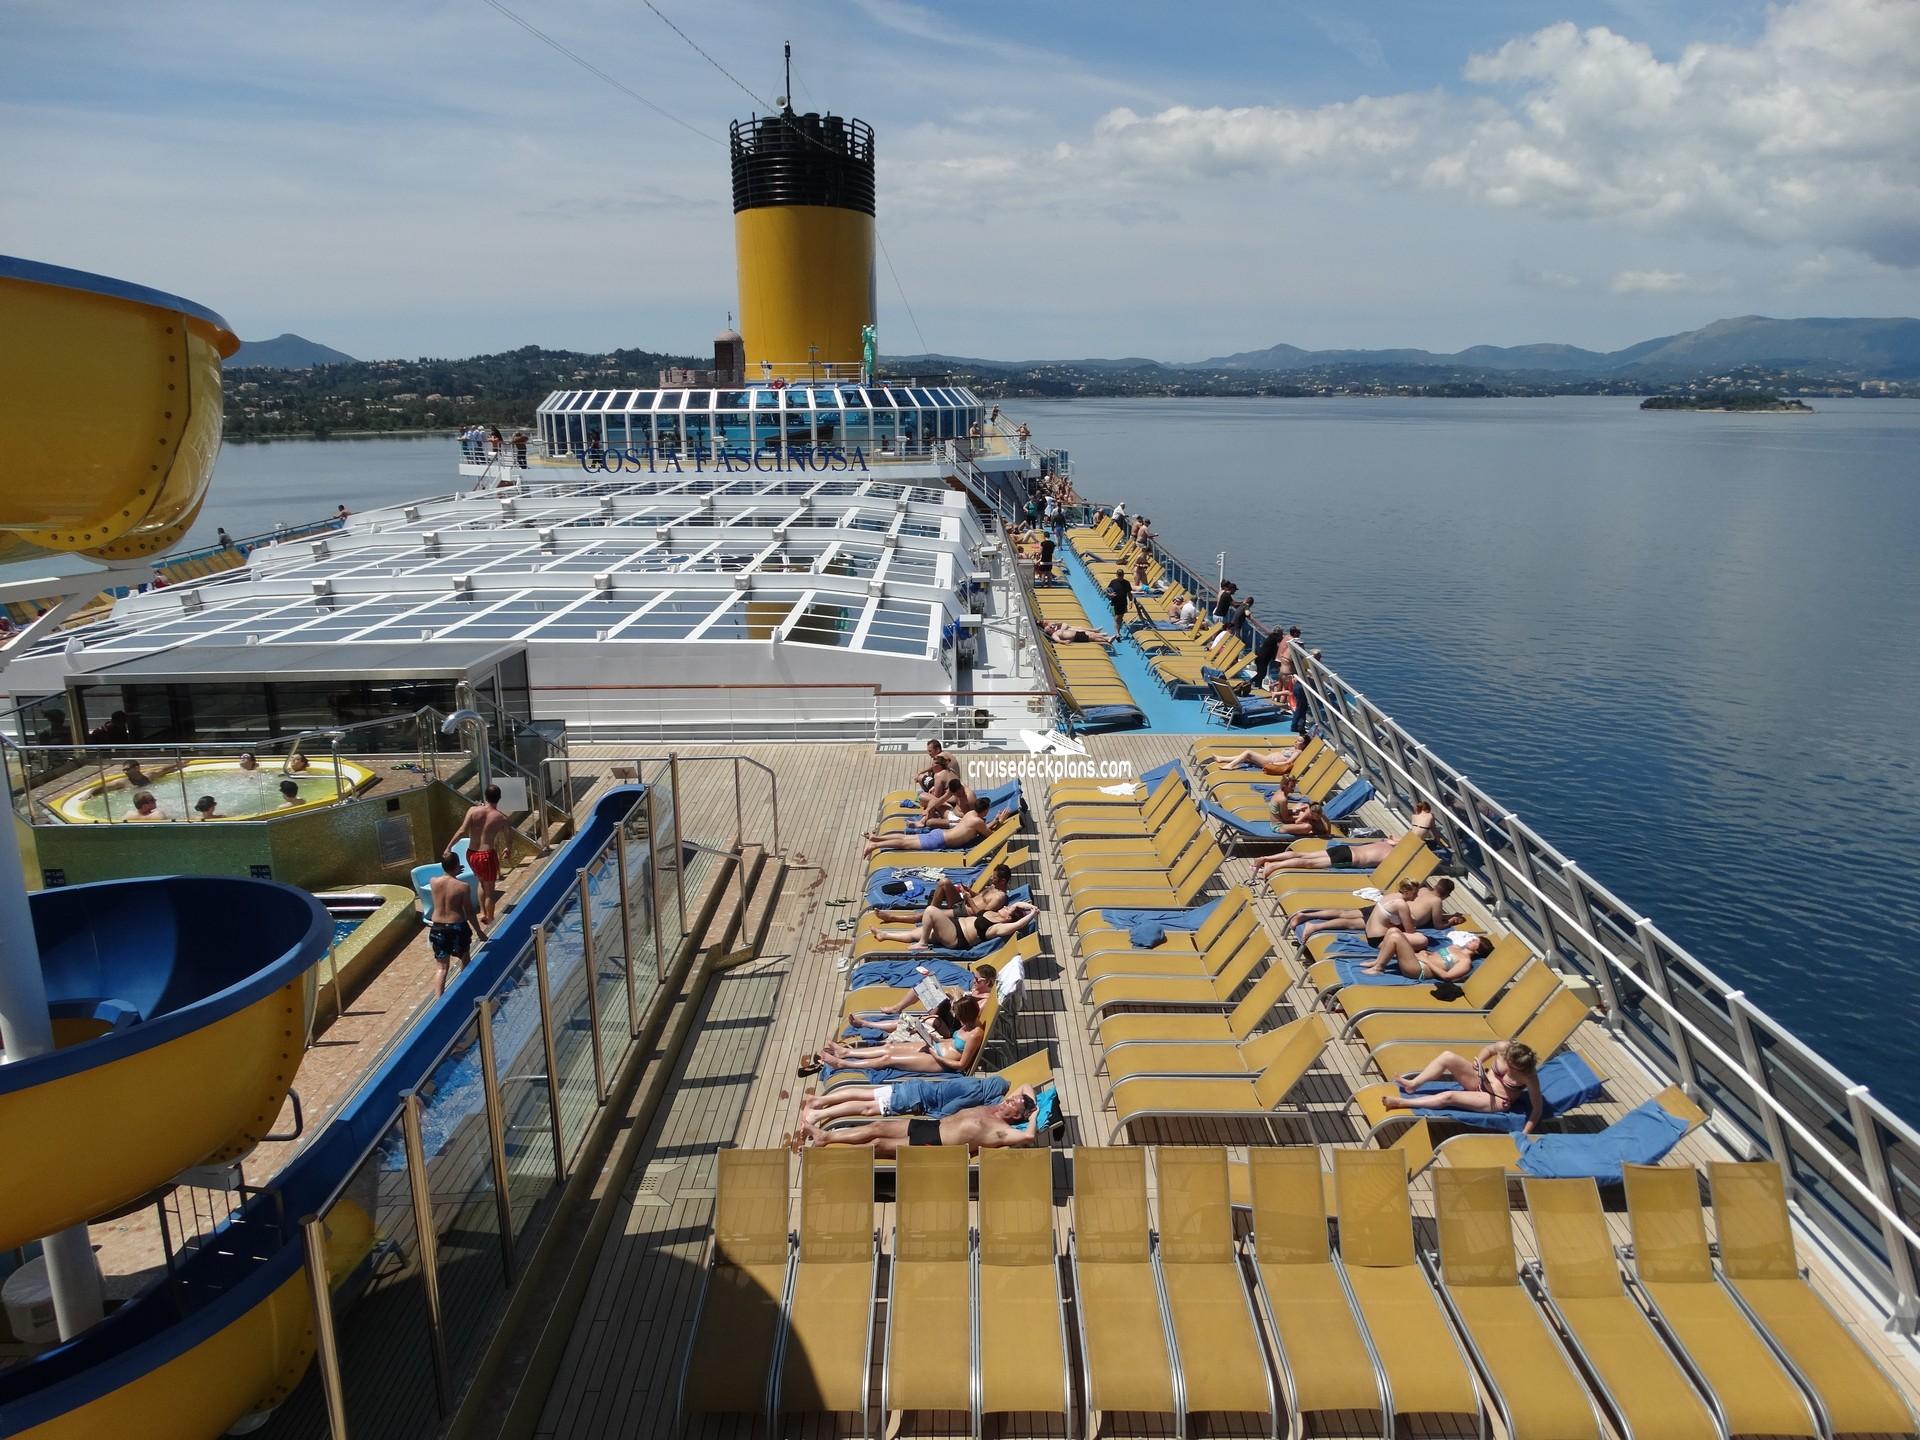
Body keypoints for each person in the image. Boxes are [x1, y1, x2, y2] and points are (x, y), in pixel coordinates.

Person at [802, 1088, 1040, 1154]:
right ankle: (826, 1137)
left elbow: (1029, 1136)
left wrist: (1034, 1114)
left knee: (877, 1144)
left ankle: (834, 1154)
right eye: (1011, 1098)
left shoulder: (1001, 1129)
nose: (1009, 1100)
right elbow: (1026, 1087)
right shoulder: (995, 1108)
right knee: (877, 1126)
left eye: (1013, 1103)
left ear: (1017, 1115)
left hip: (936, 1143)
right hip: (933, 1126)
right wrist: (1029, 1102)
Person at [1384, 1041, 1545, 1134]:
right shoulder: (1505, 1047)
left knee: (1449, 1096)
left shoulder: (1529, 1077)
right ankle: (1413, 1085)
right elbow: (1489, 1049)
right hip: (1480, 1081)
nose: (1508, 1069)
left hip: (1496, 1099)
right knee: (1447, 1056)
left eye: (1513, 1069)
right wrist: (1479, 1060)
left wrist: (1525, 1132)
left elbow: (1537, 1108)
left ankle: (1402, 1102)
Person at [818, 993, 987, 1075]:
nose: (956, 1016)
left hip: (940, 1061)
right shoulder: (969, 1023)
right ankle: (845, 1052)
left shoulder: (975, 1035)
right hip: (935, 1046)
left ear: (966, 1014)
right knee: (890, 1048)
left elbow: (961, 1065)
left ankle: (843, 1064)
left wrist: (937, 1055)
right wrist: (933, 1039)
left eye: (958, 1014)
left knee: (888, 1059)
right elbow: (953, 1041)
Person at [804, 1076, 1033, 1129]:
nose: (1008, 1099)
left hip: (916, 1087)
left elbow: (1022, 1086)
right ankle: (817, 1115)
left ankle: (820, 1100)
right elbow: (948, 1111)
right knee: (866, 1108)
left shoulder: (978, 1082)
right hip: (915, 1100)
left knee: (867, 1094)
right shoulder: (975, 1095)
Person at [447, 783, 514, 925]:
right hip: (486, 856)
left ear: (485, 797)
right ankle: (490, 919)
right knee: (490, 890)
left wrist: (449, 847)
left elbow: (462, 831)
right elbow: (509, 836)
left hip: (471, 854)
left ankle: (483, 912)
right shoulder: (501, 818)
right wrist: (508, 848)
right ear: (499, 798)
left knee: (481, 882)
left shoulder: (472, 810)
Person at [868, 898, 1037, 951]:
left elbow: (1017, 925)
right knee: (916, 932)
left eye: (1008, 909)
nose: (1007, 906)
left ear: (1009, 918)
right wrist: (1031, 907)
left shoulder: (1000, 927)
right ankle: (885, 935)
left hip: (957, 938)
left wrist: (1031, 915)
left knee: (930, 911)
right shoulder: (997, 914)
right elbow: (1017, 905)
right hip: (952, 927)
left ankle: (923, 944)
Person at [427, 851, 489, 995]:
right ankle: (466, 991)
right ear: (457, 866)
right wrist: (479, 932)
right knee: (465, 959)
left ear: (443, 866)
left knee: (442, 968)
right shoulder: (463, 886)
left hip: (437, 928)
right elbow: (469, 912)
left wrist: (452, 872)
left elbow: (446, 881)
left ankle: (440, 1000)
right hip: (456, 928)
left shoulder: (433, 882)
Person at [872, 866, 1013, 925]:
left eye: (994, 878)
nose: (991, 878)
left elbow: (982, 917)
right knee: (944, 882)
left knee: (927, 913)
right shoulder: (993, 887)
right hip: (963, 902)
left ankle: (892, 918)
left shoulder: (999, 898)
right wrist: (970, 892)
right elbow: (980, 898)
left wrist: (969, 899)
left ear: (1003, 881)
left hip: (965, 913)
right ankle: (931, 910)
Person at [862, 796, 991, 859]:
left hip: (939, 834)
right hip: (940, 841)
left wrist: (994, 821)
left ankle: (876, 838)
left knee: (905, 838)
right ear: (985, 810)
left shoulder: (970, 814)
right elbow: (988, 834)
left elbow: (982, 828)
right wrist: (997, 821)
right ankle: (875, 845)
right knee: (905, 843)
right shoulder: (977, 821)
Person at [1358, 928, 1494, 981]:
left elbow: (1446, 976)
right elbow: (1438, 957)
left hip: (1419, 970)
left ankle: (1379, 968)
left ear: (1478, 950)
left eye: (1476, 941)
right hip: (1419, 960)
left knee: (1396, 937)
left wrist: (1426, 960)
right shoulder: (1455, 947)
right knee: (1393, 931)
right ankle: (1378, 962)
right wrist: (1426, 953)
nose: (1472, 939)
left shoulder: (1465, 962)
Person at [1199, 741, 1305, 776]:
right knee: (1246, 757)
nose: (1296, 741)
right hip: (1267, 759)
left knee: (1248, 752)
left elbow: (1288, 762)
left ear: (1304, 745)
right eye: (1296, 740)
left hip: (1268, 762)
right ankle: (1222, 758)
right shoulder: (1294, 748)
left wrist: (1274, 764)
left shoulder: (1298, 752)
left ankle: (1230, 766)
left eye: (1299, 741)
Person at [1042, 619, 1113, 647]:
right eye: (1050, 628)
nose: (1051, 627)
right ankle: (1107, 640)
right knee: (1092, 638)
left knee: (1092, 635)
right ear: (1049, 631)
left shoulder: (1056, 630)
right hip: (1076, 637)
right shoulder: (1054, 635)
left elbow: (1062, 623)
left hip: (1076, 633)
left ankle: (1107, 639)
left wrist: (1055, 624)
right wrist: (1064, 642)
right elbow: (1058, 640)